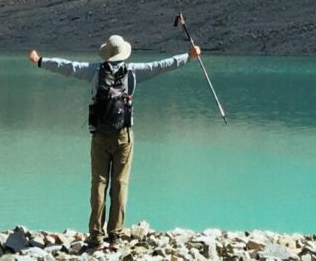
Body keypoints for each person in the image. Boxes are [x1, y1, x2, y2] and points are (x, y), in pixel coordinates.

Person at [29, 35, 199, 250]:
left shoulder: (94, 71)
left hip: (99, 134)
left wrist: (40, 60)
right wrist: (189, 56)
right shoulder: (134, 71)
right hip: (124, 135)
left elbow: (68, 67)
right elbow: (162, 65)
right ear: (124, 53)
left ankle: (95, 236)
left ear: (107, 53)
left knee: (99, 183)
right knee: (120, 184)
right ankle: (115, 236)